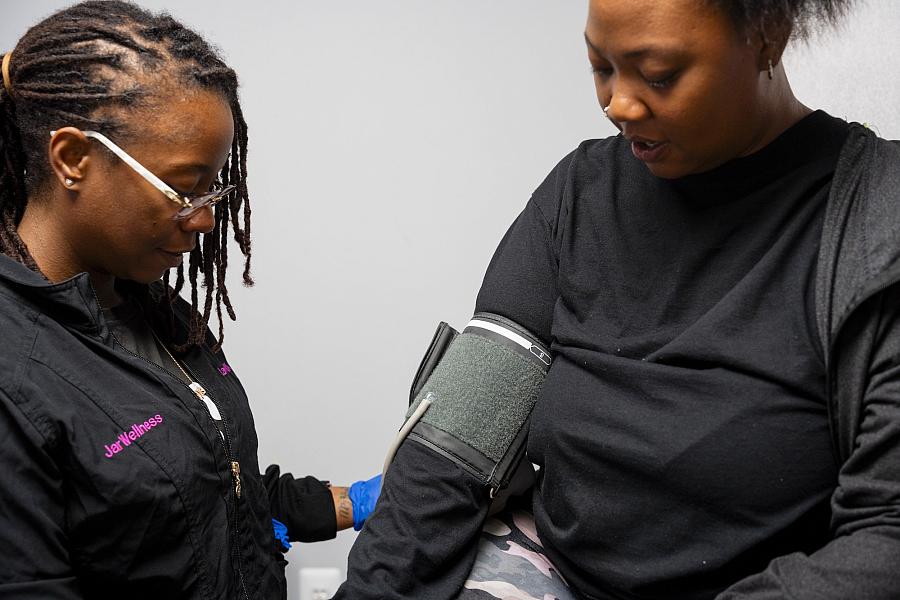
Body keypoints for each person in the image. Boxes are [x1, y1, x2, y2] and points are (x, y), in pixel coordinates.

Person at [336, 0, 900, 599]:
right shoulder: (580, 193)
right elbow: (456, 441)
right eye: (600, 67)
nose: (618, 106)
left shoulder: (877, 221)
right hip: (551, 568)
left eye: (657, 75)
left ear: (769, 37)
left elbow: (887, 539)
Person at [0, 2, 380, 598]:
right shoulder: (13, 374)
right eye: (183, 190)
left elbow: (209, 486)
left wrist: (354, 502)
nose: (204, 220)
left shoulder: (151, 309)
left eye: (214, 190)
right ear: (74, 159)